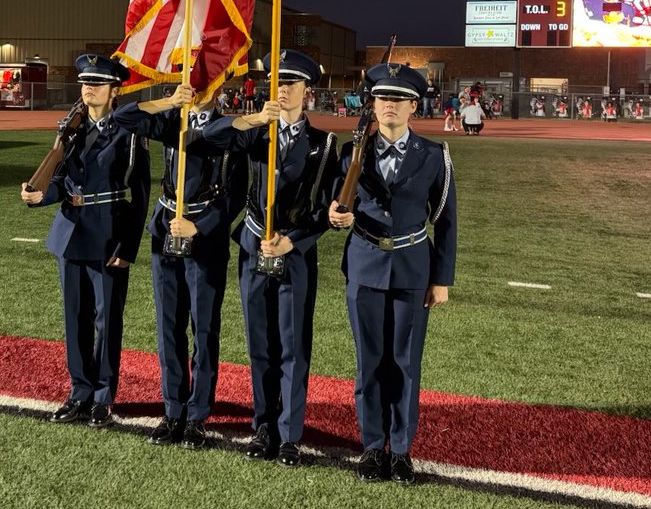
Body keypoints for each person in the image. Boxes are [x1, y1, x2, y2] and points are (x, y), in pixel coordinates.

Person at [201, 50, 339, 468]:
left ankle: (290, 434)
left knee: (294, 347)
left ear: (307, 91)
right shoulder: (255, 133)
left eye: (292, 84)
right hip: (252, 247)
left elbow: (327, 210)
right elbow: (210, 136)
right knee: (259, 344)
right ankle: (263, 426)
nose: (283, 90)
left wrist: (294, 240)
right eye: (277, 83)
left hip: (293, 255)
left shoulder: (324, 144)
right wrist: (257, 118)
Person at [328, 63, 456, 486]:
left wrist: (442, 279)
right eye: (383, 98)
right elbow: (333, 203)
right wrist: (334, 215)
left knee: (405, 364)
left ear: (413, 106)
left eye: (399, 99)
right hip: (364, 266)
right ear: (373, 104)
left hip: (412, 269)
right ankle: (371, 445)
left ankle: (400, 450)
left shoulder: (435, 155)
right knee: (369, 364)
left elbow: (446, 221)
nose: (390, 106)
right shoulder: (351, 153)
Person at [113, 83, 246, 449]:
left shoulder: (232, 129)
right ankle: (173, 410)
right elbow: (123, 117)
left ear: (220, 87)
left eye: (208, 78)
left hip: (205, 237)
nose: (199, 83)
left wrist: (199, 227)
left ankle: (198, 416)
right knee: (168, 326)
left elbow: (237, 193)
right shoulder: (172, 119)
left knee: (204, 330)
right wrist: (169, 102)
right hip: (166, 231)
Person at [21, 54, 150, 428]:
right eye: (85, 82)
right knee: (75, 318)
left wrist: (127, 248)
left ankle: (103, 396)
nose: (88, 87)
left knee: (107, 319)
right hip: (70, 231)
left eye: (97, 82)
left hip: (109, 232)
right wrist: (39, 195)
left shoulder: (130, 132)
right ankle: (79, 391)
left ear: (115, 91)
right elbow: (60, 179)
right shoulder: (71, 129)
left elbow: (139, 194)